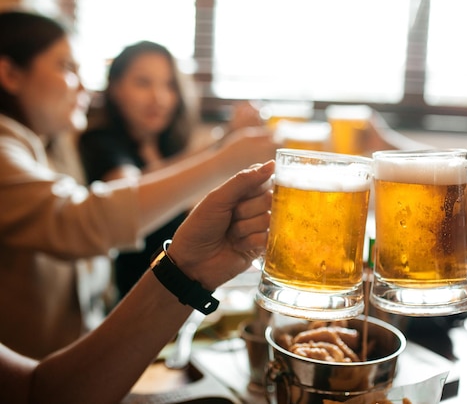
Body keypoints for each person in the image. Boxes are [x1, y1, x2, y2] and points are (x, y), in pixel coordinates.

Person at [0, 9, 277, 359]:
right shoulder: (22, 146)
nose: (84, 86)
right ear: (10, 74)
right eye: (67, 68)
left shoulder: (49, 144)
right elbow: (79, 220)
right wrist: (223, 158)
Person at [0, 160, 275, 404]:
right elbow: (35, 394)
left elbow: (41, 392)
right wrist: (225, 156)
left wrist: (192, 268)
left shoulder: (55, 149)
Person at [78, 41, 277, 300]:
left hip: (176, 290)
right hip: (137, 299)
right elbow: (127, 193)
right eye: (143, 83)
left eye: (169, 85)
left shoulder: (166, 144)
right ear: (114, 88)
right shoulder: (102, 141)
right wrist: (223, 152)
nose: (158, 97)